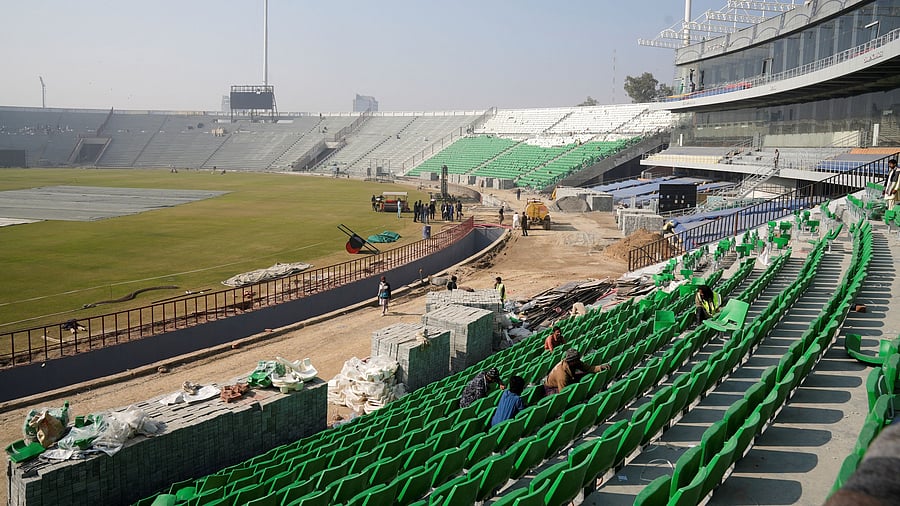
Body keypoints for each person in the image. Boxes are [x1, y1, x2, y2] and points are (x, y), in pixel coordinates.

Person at [544, 348, 610, 395]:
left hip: (569, 379)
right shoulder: (562, 374)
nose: (578, 360)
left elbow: (588, 368)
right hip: (552, 388)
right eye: (576, 359)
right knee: (571, 391)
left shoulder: (575, 362)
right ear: (571, 361)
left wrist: (600, 367)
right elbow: (563, 393)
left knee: (585, 374)